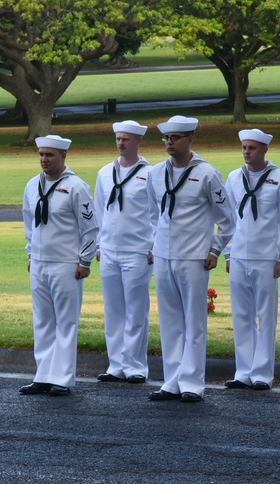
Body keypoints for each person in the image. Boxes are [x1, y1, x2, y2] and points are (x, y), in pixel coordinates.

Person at [145, 116, 236, 403]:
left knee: (194, 320)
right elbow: (151, 215)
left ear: (190, 140)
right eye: (166, 138)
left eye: (176, 138)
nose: (169, 143)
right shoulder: (155, 173)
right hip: (163, 255)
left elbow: (229, 220)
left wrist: (214, 250)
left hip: (194, 256)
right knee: (170, 320)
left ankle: (192, 383)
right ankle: (172, 381)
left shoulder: (207, 174)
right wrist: (153, 245)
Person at [20, 134, 99, 396]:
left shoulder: (76, 187)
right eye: (41, 154)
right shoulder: (33, 185)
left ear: (63, 156)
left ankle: (63, 378)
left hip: (66, 264)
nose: (44, 159)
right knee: (42, 321)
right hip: (40, 263)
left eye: (50, 155)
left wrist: (84, 260)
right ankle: (43, 374)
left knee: (66, 322)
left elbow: (90, 228)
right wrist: (31, 255)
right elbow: (29, 224)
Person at [222, 129, 280, 392]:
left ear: (265, 149)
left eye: (252, 148)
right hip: (240, 254)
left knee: (266, 316)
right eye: (244, 147)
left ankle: (263, 373)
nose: (246, 152)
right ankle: (243, 371)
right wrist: (229, 252)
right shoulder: (233, 177)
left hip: (266, 256)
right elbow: (229, 219)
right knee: (241, 315)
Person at [93, 120, 157, 384]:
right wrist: (98, 243)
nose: (121, 143)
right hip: (109, 250)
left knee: (136, 309)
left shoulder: (151, 173)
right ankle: (116, 364)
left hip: (137, 250)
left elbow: (158, 213)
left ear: (139, 141)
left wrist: (153, 244)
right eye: (118, 139)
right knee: (113, 309)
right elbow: (98, 210)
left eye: (126, 139)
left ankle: (135, 365)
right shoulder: (105, 172)